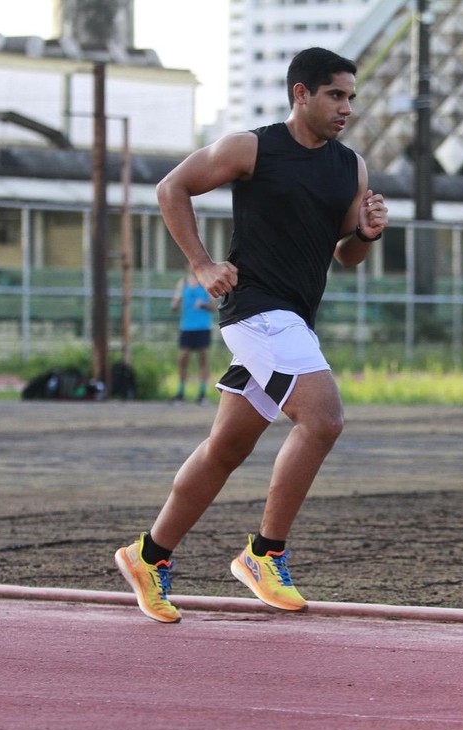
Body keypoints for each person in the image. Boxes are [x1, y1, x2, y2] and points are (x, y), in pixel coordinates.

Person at [115, 47, 389, 623]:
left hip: (292, 319)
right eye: (336, 95)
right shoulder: (252, 147)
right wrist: (201, 264)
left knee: (227, 448)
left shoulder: (351, 168)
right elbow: (172, 188)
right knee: (324, 419)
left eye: (351, 98)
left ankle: (149, 556)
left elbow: (347, 257)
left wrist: (365, 233)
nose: (346, 108)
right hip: (257, 311)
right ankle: (264, 554)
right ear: (302, 94)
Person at [170, 266, 214, 404]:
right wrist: (175, 303)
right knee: (183, 359)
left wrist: (204, 305)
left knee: (203, 360)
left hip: (202, 327)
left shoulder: (206, 283)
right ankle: (180, 392)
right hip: (187, 327)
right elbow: (174, 304)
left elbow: (214, 306)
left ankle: (202, 393)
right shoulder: (182, 282)